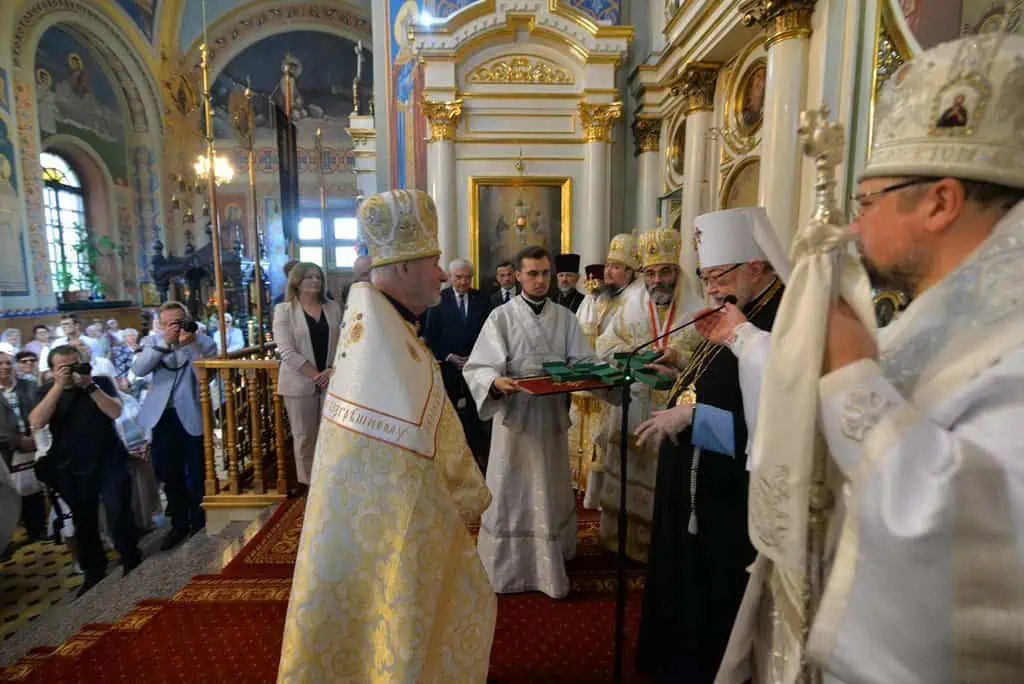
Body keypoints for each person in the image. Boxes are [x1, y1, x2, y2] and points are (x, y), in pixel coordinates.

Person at [716, 32, 1024, 684]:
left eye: (867, 202)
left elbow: (978, 542)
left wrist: (854, 376)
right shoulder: (950, 313)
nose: (855, 226)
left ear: (939, 202)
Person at [279, 189, 495, 682]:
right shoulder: (379, 337)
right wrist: (469, 494)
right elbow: (416, 443)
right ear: (402, 266)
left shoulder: (384, 324)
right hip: (394, 526)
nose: (442, 274)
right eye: (433, 261)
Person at [632, 207, 786, 682]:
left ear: (756, 267)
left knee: (714, 596)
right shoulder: (742, 306)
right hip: (696, 478)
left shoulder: (782, 318)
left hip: (728, 497)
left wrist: (693, 416)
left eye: (719, 276)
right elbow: (725, 378)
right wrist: (682, 368)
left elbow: (780, 423)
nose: (712, 289)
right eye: (705, 277)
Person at [464, 245, 594, 599]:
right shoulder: (501, 317)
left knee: (550, 484)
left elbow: (583, 360)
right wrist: (495, 382)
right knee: (513, 486)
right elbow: (479, 366)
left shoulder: (565, 318)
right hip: (515, 418)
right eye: (532, 274)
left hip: (550, 417)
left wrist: (590, 372)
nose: (540, 280)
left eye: (544, 273)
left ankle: (552, 557)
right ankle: (511, 566)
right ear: (518, 276)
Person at [594, 228, 700, 562]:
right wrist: (636, 353)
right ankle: (621, 543)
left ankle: (663, 546)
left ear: (676, 271)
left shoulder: (696, 307)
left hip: (674, 410)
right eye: (650, 273)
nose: (657, 280)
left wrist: (677, 356)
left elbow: (707, 356)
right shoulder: (630, 304)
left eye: (665, 271)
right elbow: (604, 344)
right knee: (627, 475)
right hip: (633, 403)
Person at [29, 345, 141, 596]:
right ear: (52, 370)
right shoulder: (45, 391)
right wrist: (58, 386)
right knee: (84, 519)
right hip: (72, 465)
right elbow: (36, 422)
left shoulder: (100, 382)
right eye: (64, 367)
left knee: (117, 508)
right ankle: (94, 570)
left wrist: (89, 385)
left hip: (108, 458)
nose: (72, 371)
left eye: (75, 364)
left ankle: (130, 554)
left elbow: (115, 411)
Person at [133, 302, 218, 551]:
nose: (176, 327)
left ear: (188, 319)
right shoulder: (153, 342)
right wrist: (165, 343)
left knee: (197, 473)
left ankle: (199, 522)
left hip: (192, 414)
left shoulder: (204, 342)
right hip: (162, 416)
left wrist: (190, 345)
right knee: (168, 473)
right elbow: (139, 369)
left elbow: (204, 378)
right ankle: (179, 524)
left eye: (179, 321)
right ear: (160, 325)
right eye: (169, 323)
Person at [575, 236, 646, 509]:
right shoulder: (606, 296)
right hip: (602, 377)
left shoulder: (637, 298)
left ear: (630, 271)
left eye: (615, 267)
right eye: (608, 265)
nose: (608, 272)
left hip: (622, 382)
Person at [272, 261, 342, 486]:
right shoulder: (284, 310)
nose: (315, 281)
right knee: (304, 438)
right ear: (297, 282)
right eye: (309, 277)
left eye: (318, 277)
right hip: (299, 383)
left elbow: (344, 343)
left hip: (331, 379)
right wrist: (316, 376)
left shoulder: (333, 307)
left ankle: (330, 484)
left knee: (331, 435)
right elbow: (286, 351)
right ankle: (309, 487)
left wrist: (330, 371)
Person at [423, 258, 494, 474]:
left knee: (476, 415)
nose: (463, 282)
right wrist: (448, 356)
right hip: (449, 368)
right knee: (449, 414)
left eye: (467, 277)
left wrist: (475, 357)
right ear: (450, 277)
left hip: (476, 367)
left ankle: (477, 459)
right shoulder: (438, 299)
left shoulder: (482, 299)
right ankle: (450, 460)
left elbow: (489, 333)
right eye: (459, 277)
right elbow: (431, 335)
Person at [0, 345, 45, 542]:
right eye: (0, 364)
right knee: (8, 496)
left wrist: (34, 437)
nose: (5, 367)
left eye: (8, 363)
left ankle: (38, 530)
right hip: (6, 450)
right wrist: (17, 441)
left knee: (34, 489)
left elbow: (39, 410)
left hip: (34, 443)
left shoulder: (28, 385)